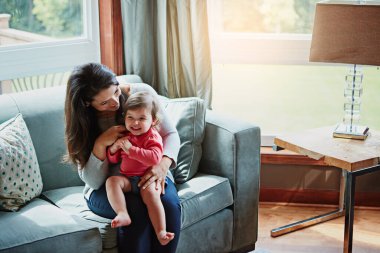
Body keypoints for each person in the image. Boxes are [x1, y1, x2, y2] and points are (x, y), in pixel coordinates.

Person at [64, 62, 181, 252]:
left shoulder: (142, 94)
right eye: (104, 102)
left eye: (116, 92)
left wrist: (163, 164)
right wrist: (101, 143)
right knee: (136, 211)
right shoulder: (82, 124)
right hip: (109, 186)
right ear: (87, 103)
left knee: (168, 206)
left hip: (150, 172)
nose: (116, 103)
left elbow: (170, 135)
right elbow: (94, 182)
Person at [106, 91, 174, 245]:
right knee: (112, 182)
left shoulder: (152, 136)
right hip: (128, 179)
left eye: (142, 118)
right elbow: (113, 159)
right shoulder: (126, 136)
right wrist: (114, 149)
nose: (135, 123)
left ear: (153, 120)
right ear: (125, 118)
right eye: (131, 118)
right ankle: (122, 213)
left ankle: (161, 231)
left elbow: (154, 157)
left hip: (147, 179)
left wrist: (131, 150)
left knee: (152, 197)